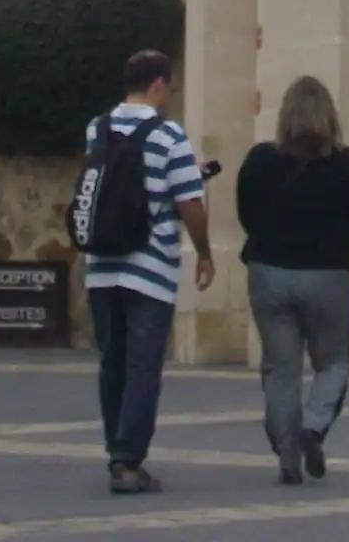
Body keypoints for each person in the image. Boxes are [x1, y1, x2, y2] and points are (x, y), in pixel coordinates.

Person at [76, 48, 214, 495]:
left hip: (100, 268)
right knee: (142, 365)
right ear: (158, 84)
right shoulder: (169, 136)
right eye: (169, 88)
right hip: (149, 269)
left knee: (111, 362)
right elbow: (189, 202)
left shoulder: (96, 129)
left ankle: (116, 449)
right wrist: (204, 252)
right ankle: (129, 460)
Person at [234, 75, 349, 486]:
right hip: (326, 273)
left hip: (269, 271)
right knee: (334, 361)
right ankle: (313, 425)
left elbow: (246, 213)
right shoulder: (346, 164)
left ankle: (287, 457)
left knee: (280, 368)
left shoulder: (259, 160)